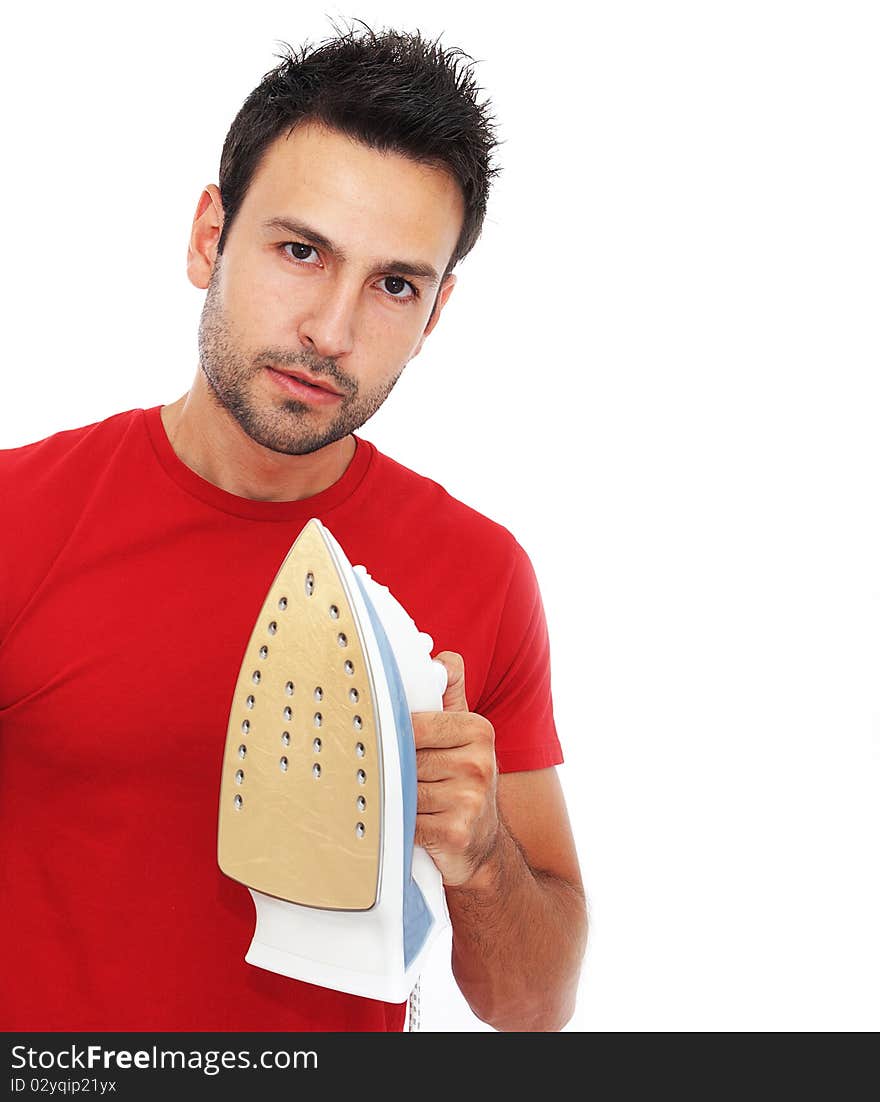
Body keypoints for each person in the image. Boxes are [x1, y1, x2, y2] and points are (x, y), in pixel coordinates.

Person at [0, 24, 587, 1032]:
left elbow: (533, 1010)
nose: (331, 330)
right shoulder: (20, 518)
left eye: (393, 284)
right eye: (300, 250)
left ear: (435, 313)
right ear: (207, 237)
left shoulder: (482, 574)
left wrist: (481, 854)